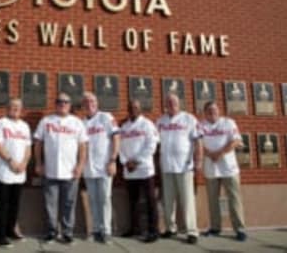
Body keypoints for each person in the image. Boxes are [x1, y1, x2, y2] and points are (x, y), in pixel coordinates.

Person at [34, 93, 88, 245]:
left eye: (66, 101)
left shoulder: (77, 123)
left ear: (70, 105)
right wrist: (38, 163)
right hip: (50, 171)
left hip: (71, 172)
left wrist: (80, 166)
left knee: (69, 204)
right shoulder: (46, 121)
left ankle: (67, 232)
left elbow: (83, 146)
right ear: (55, 104)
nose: (62, 104)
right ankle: (51, 232)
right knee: (50, 204)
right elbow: (38, 143)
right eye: (59, 101)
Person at [157, 93, 202, 244]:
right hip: (167, 166)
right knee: (168, 200)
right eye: (168, 102)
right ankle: (171, 228)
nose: (171, 104)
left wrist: (198, 160)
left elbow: (198, 142)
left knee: (187, 200)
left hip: (184, 165)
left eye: (174, 101)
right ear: (165, 104)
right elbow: (155, 142)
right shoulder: (160, 120)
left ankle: (192, 231)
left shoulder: (189, 119)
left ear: (179, 103)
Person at [200, 101, 247, 241]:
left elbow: (236, 141)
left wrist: (220, 153)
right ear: (205, 112)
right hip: (211, 167)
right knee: (212, 199)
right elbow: (199, 143)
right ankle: (215, 227)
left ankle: (239, 228)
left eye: (214, 109)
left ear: (219, 110)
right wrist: (210, 154)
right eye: (209, 110)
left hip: (229, 168)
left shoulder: (228, 123)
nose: (212, 112)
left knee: (234, 198)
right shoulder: (201, 125)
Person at [0, 98, 32, 247]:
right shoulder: (0, 123)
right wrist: (10, 161)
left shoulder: (25, 126)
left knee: (14, 204)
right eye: (12, 106)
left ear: (21, 109)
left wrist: (24, 163)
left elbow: (28, 148)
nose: (15, 108)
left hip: (20, 171)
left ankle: (10, 230)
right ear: (7, 108)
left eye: (18, 107)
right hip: (4, 172)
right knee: (2, 205)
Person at [81, 92, 119, 244]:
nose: (90, 104)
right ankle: (96, 229)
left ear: (97, 103)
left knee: (105, 198)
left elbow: (116, 138)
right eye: (87, 102)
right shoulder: (81, 122)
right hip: (89, 167)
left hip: (105, 166)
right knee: (93, 199)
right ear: (83, 105)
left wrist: (113, 160)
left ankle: (107, 230)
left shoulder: (106, 117)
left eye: (92, 101)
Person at [119, 99, 159, 243]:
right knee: (132, 201)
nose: (133, 109)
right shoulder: (124, 127)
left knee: (150, 201)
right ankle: (134, 229)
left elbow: (151, 146)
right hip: (129, 170)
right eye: (130, 107)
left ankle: (153, 230)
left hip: (144, 169)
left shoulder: (147, 124)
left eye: (135, 107)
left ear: (140, 109)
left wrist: (136, 161)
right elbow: (120, 147)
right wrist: (125, 161)